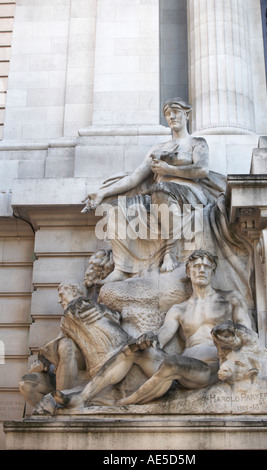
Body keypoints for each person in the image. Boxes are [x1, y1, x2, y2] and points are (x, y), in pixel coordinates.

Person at [52, 249, 252, 408]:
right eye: (197, 266)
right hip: (183, 367)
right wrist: (149, 339)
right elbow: (163, 337)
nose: (202, 270)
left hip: (210, 368)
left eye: (207, 267)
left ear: (213, 271)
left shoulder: (229, 299)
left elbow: (247, 334)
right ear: (189, 272)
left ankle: (121, 404)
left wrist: (230, 338)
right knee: (133, 350)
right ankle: (83, 397)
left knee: (173, 363)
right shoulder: (179, 309)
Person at [81, 98, 209, 281]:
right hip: (159, 194)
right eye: (167, 113)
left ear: (186, 114)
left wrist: (169, 170)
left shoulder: (197, 143)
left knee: (161, 189)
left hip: (188, 193)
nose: (172, 116)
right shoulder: (158, 149)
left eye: (176, 111)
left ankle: (169, 252)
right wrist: (103, 193)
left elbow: (202, 170)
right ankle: (121, 268)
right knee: (117, 209)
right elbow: (134, 178)